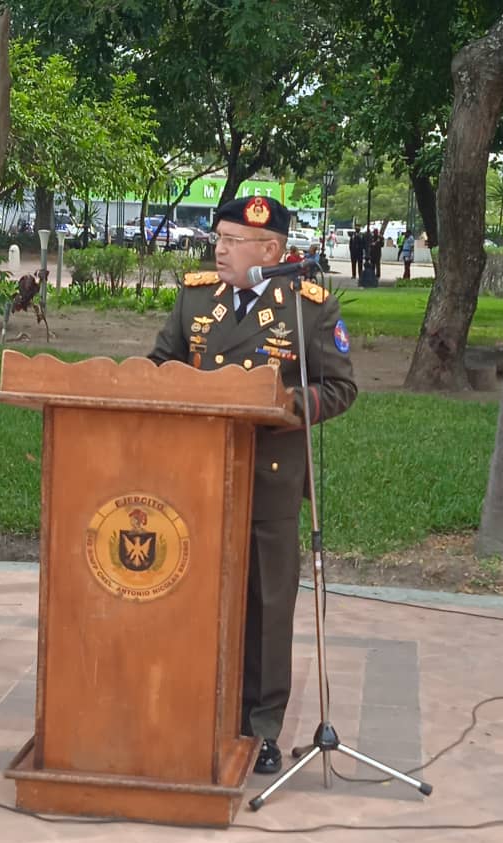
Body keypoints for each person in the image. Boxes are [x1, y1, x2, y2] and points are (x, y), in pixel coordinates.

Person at [149, 196, 357, 775]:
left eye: (233, 240)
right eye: (219, 237)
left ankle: (261, 725)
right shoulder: (196, 298)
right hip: (198, 472)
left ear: (271, 251)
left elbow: (340, 388)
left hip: (269, 476)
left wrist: (285, 403)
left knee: (266, 603)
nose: (219, 247)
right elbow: (160, 364)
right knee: (193, 591)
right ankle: (198, 703)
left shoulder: (308, 308)